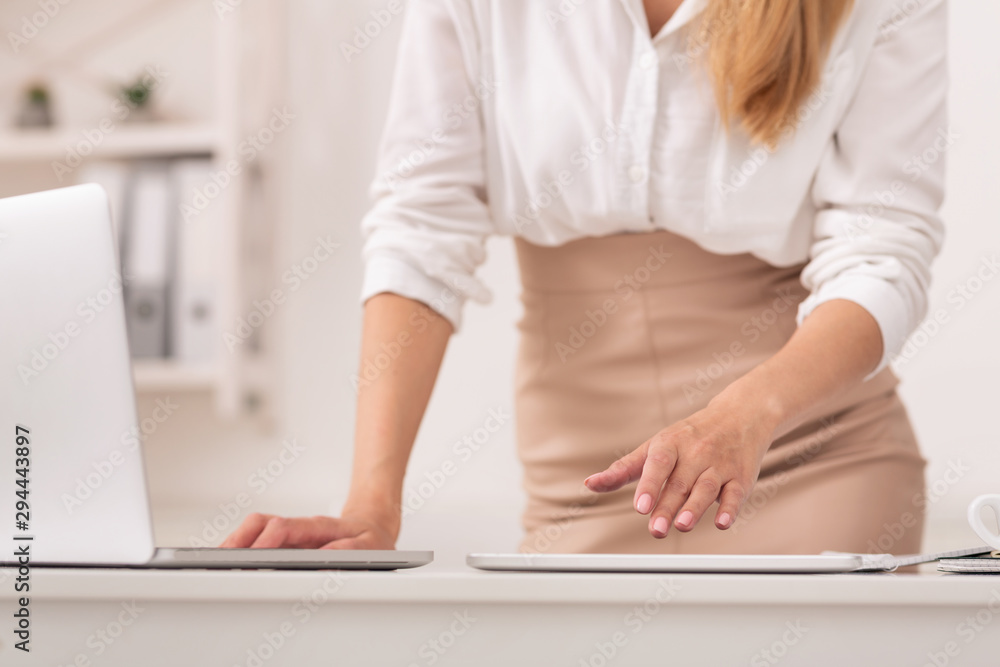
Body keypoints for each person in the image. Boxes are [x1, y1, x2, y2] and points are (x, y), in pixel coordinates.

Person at [222, 0, 947, 556]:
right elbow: (421, 227)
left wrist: (748, 413)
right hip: (589, 476)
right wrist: (370, 502)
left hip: (804, 447)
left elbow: (883, 247)